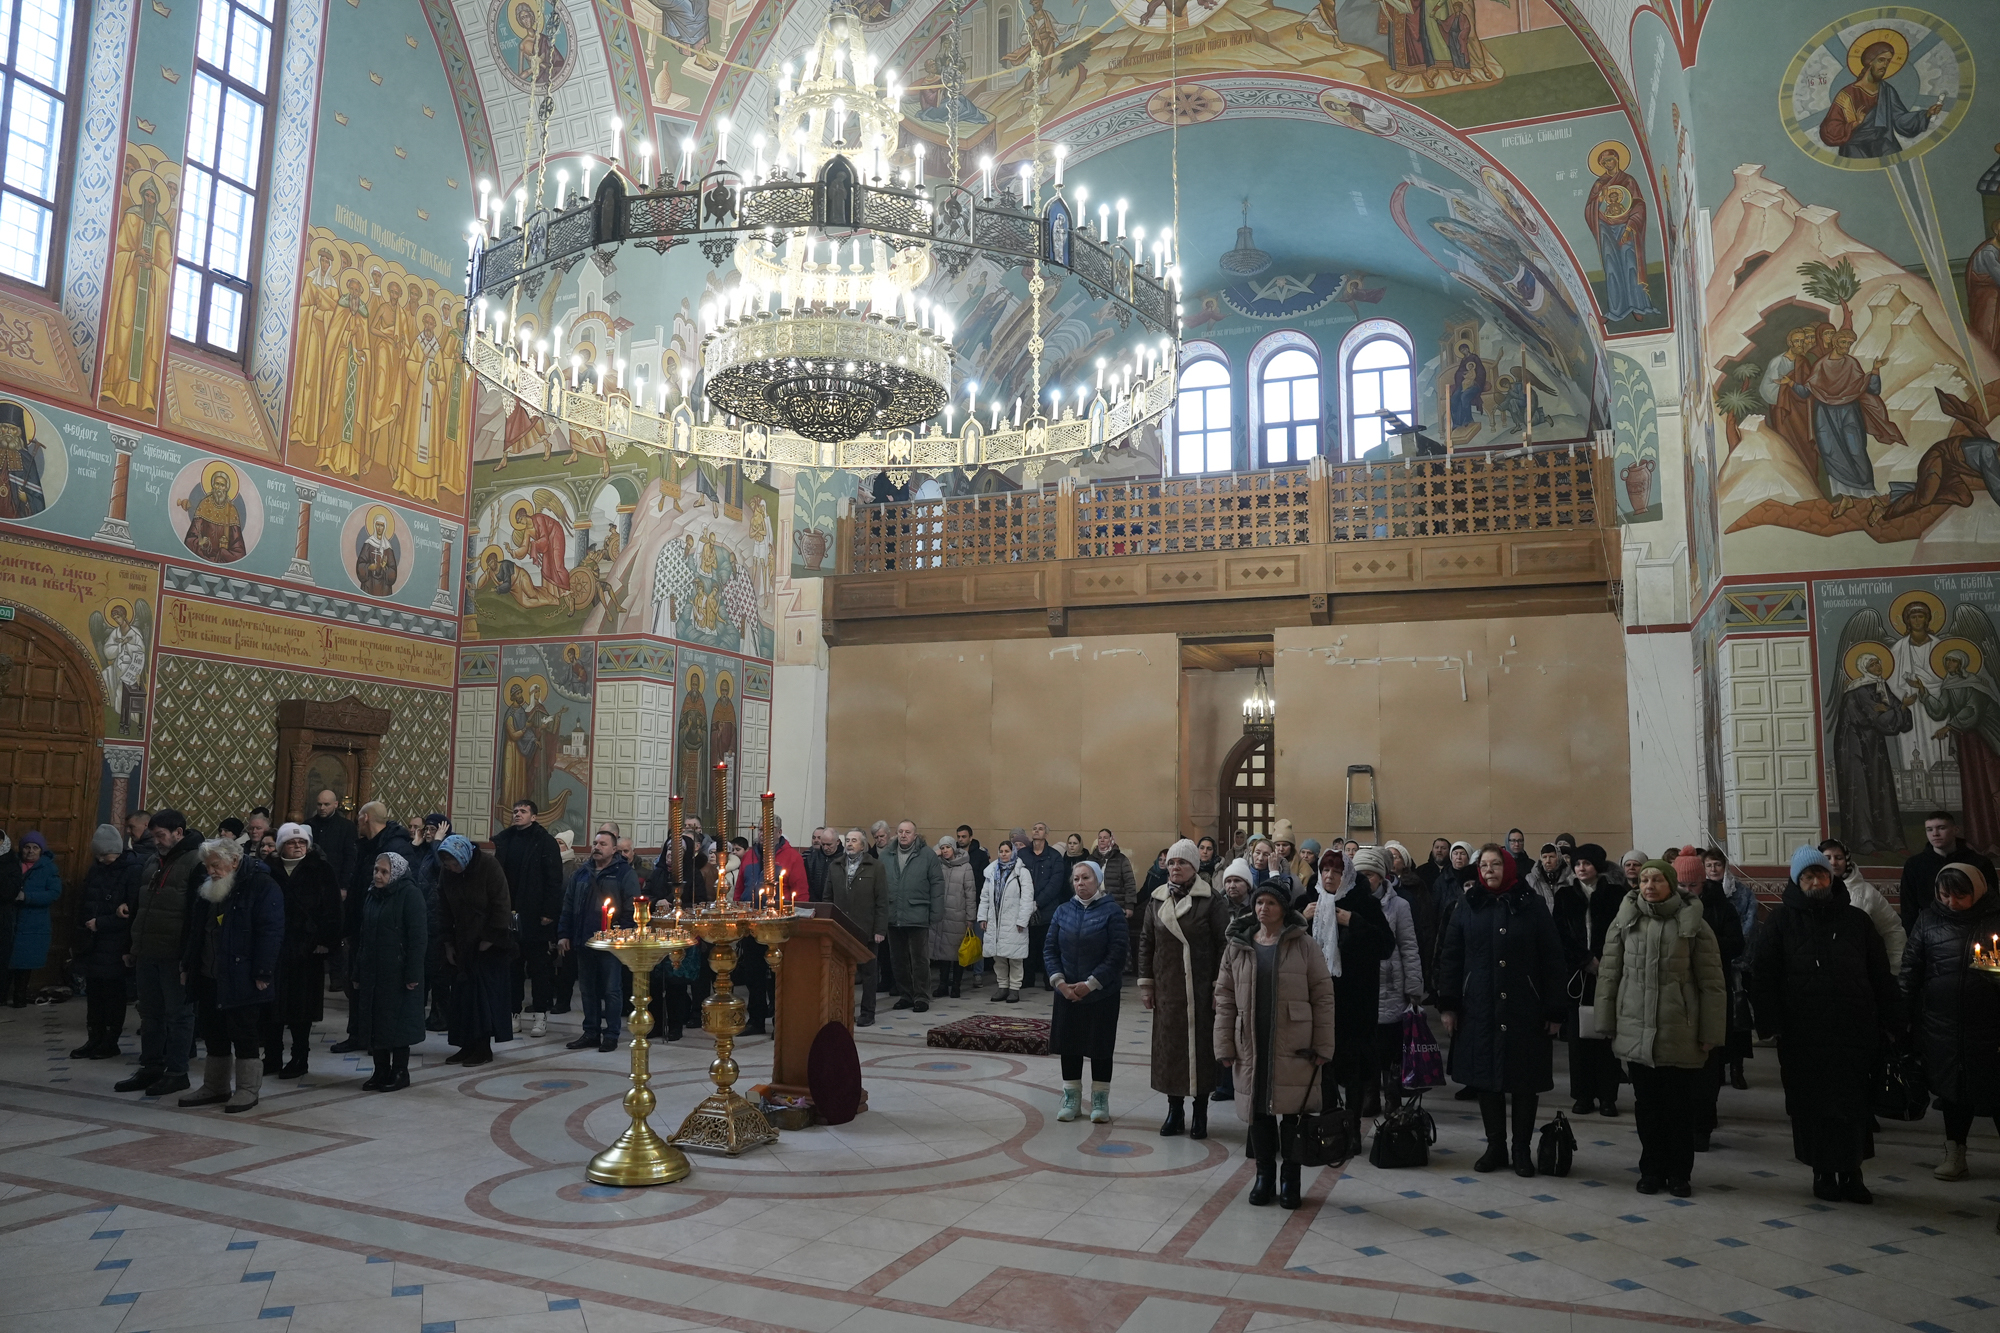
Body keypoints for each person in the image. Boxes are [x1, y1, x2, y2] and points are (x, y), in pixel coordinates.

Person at [1752, 845, 1902, 1204]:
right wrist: (1772, 1023)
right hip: (1803, 1033)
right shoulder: (1780, 921)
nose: (1816, 881)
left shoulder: (1856, 920)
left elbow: (1879, 973)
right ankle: (1822, 1172)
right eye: (1808, 876)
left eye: (1820, 874)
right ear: (1797, 881)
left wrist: (1892, 1020)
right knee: (1812, 1105)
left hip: (1854, 1029)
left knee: (1854, 1105)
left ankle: (1852, 1173)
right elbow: (1763, 975)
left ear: (1831, 877)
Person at [1596, 858, 1727, 1197]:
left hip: (1679, 1029)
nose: (1649, 886)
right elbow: (1609, 975)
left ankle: (1679, 1173)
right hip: (1636, 1026)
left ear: (1671, 884)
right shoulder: (1625, 921)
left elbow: (1712, 983)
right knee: (1647, 1105)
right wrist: (1605, 1021)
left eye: (1657, 880)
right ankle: (1651, 1170)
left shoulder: (1694, 923)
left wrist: (1710, 1033)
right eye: (1644, 880)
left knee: (1679, 1107)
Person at [1437, 844, 1568, 1176]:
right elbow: (1451, 957)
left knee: (1524, 1081)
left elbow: (1553, 958)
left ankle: (1521, 1149)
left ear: (1508, 867)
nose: (1489, 870)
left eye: (1495, 864)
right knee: (1486, 1080)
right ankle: (1495, 1146)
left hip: (1525, 1007)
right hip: (1479, 1006)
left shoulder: (1532, 905)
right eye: (1483, 865)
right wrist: (1449, 1005)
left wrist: (1554, 1009)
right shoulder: (1468, 904)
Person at [1216, 882, 1336, 1209]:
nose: (1263, 909)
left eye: (1270, 903)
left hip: (1294, 1043)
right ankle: (1264, 1175)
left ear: (1284, 908)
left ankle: (1290, 1180)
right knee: (1259, 1113)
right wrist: (1224, 1044)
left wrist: (1323, 1046)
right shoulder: (1238, 946)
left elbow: (1323, 996)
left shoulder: (1304, 945)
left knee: (1292, 1115)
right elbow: (1224, 997)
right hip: (1251, 1042)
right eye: (1259, 903)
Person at [1901, 863, 2000, 1183]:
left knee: (1995, 1092)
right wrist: (1900, 1015)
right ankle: (1955, 1153)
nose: (1951, 903)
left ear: (1977, 892)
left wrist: (1994, 974)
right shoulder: (1928, 920)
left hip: (1989, 1026)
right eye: (1945, 895)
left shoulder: (1995, 920)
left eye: (1960, 895)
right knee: (1953, 1093)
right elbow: (1911, 969)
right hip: (1943, 1025)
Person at [177, 839, 283, 1112]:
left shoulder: (261, 885)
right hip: (209, 973)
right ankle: (215, 1086)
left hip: (242, 974)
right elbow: (196, 930)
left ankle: (247, 1089)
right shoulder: (209, 887)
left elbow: (270, 932)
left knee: (244, 1033)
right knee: (213, 1033)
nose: (210, 871)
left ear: (234, 861)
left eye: (215, 865)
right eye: (207, 866)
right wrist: (188, 965)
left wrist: (263, 971)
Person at [1139, 839, 1230, 1139]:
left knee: (1201, 1052)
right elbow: (1146, 942)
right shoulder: (1156, 899)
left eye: (1182, 863)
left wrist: (1219, 986)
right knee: (1170, 1050)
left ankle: (1200, 1112)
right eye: (1172, 862)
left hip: (1200, 989)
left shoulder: (1211, 900)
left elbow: (1223, 944)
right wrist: (1147, 984)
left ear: (1194, 867)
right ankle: (1174, 1110)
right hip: (1167, 989)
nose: (1175, 867)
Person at [118, 811, 205, 1094]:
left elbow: (196, 914)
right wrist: (131, 945)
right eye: (153, 836)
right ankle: (150, 1067)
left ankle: (177, 1071)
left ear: (178, 833)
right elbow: (139, 904)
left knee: (179, 1015)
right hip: (147, 951)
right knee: (150, 1013)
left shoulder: (196, 862)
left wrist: (188, 958)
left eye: (161, 836)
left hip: (174, 953)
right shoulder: (153, 861)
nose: (156, 841)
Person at [1310, 848, 1392, 1141]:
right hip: (1319, 1001)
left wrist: (1355, 922)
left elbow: (1386, 946)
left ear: (1346, 875)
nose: (1329, 876)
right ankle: (1331, 1126)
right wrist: (1300, 919)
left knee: (1354, 1068)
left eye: (1336, 871)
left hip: (1356, 1002)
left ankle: (1353, 1128)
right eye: (1325, 870)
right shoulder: (1310, 902)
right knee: (1324, 1066)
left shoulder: (1364, 904)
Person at [1046, 860, 1129, 1126]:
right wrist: (1061, 984)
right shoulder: (1062, 911)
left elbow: (1117, 954)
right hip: (1067, 992)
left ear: (1098, 880)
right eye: (1076, 879)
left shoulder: (1112, 911)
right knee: (1069, 1046)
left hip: (1101, 994)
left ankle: (1100, 1101)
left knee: (1100, 1047)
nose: (1080, 883)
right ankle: (1071, 1099)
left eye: (1086, 878)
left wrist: (1090, 984)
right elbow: (1050, 950)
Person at [331, 803, 414, 1054]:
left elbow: (399, 890)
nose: (357, 822)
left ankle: (375, 1037)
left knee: (376, 989)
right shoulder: (368, 845)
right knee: (356, 982)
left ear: (365, 818)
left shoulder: (395, 846)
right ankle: (358, 1033)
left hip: (383, 927)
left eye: (358, 818)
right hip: (362, 922)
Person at [263, 823, 340, 1079]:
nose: (297, 846)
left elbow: (332, 909)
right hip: (275, 945)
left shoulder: (321, 869)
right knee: (271, 1006)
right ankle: (272, 1056)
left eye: (302, 842)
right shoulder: (269, 869)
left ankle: (299, 1058)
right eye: (291, 842)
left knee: (301, 1009)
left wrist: (325, 940)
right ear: (281, 846)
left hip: (307, 949)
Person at [437, 834, 516, 1068]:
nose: (452, 869)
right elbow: (443, 908)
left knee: (482, 999)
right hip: (462, 941)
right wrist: (448, 943)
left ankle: (482, 1048)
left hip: (488, 945)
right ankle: (466, 1045)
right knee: (462, 998)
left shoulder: (488, 866)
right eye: (448, 865)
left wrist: (490, 938)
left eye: (454, 864)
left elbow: (502, 903)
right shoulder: (447, 873)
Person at [351, 852, 426, 1092]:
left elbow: (417, 937)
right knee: (377, 1021)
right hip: (374, 970)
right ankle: (380, 1070)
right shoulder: (372, 894)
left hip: (398, 971)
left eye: (384, 871)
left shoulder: (410, 894)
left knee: (398, 1023)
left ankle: (400, 1071)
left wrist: (413, 973)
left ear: (396, 873)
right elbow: (364, 936)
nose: (378, 875)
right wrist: (358, 971)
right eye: (376, 870)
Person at [1359, 846, 1425, 1117]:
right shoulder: (1349, 902)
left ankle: (1392, 1094)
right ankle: (1370, 1093)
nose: (1365, 880)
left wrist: (1414, 987)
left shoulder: (1399, 905)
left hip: (1391, 985)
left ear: (1381, 875)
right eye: (1360, 874)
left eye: (1369, 874)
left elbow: (1409, 946)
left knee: (1390, 1046)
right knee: (1366, 1044)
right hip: (1361, 985)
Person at [558, 831, 639, 1051]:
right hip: (584, 940)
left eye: (603, 844)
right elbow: (568, 904)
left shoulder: (624, 873)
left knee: (611, 990)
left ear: (614, 849)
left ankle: (611, 1034)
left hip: (611, 943)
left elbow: (631, 907)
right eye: (595, 843)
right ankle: (591, 1032)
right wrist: (564, 934)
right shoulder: (581, 873)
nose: (597, 847)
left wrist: (621, 933)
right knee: (587, 990)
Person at [493, 799, 564, 1035]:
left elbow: (554, 879)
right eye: (515, 811)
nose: (517, 814)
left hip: (536, 915)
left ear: (534, 816)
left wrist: (549, 912)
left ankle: (540, 1015)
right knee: (512, 967)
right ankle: (513, 1013)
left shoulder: (545, 841)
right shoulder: (505, 840)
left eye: (523, 811)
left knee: (539, 969)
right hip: (510, 914)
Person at [73, 824, 143, 1060]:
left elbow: (131, 911)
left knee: (113, 996)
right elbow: (87, 901)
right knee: (94, 995)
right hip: (93, 942)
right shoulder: (97, 868)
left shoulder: (132, 870)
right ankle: (94, 1038)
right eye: (99, 855)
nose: (102, 859)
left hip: (116, 942)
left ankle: (110, 1042)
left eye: (106, 855)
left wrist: (102, 923)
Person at [1569, 844, 1629, 1117]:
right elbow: (1560, 934)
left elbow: (1623, 931)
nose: (1581, 868)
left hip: (1609, 971)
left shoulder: (1616, 894)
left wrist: (1605, 960)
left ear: (1598, 866)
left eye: (1586, 863)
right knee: (1579, 1040)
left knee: (1606, 1037)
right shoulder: (1565, 896)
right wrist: (1584, 959)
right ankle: (1582, 1095)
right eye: (1577, 864)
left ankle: (1607, 1096)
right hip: (1577, 976)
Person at [881, 821, 944, 1014]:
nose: (903, 835)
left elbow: (937, 884)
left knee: (919, 960)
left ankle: (921, 996)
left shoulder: (927, 855)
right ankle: (906, 995)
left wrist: (936, 913)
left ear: (915, 835)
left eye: (907, 832)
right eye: (900, 831)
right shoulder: (886, 855)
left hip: (918, 913)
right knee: (898, 959)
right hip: (893, 914)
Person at [827, 829, 888, 1024]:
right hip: (841, 928)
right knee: (841, 971)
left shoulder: (875, 867)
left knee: (869, 973)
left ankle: (868, 1013)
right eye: (847, 840)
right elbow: (827, 897)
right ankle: (842, 1011)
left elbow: (882, 901)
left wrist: (880, 930)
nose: (850, 844)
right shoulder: (835, 865)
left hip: (866, 928)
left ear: (863, 845)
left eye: (854, 840)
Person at [1899, 812, 1995, 933]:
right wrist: (1913, 936)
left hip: (1973, 928)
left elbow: (1992, 901)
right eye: (1929, 829)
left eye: (1941, 828)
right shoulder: (1914, 865)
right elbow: (1908, 908)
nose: (1935, 834)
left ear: (1955, 830)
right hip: (1930, 931)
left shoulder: (1980, 862)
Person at [1819, 838, 1904, 970]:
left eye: (1839, 857)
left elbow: (1892, 929)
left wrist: (1894, 967)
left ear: (1847, 860)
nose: (1833, 862)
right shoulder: (1812, 892)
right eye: (1827, 858)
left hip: (1859, 968)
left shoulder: (1867, 893)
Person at [978, 839, 1034, 1004]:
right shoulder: (991, 872)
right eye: (1001, 851)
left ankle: (1014, 989)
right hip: (994, 921)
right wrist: (982, 917)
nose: (1004, 854)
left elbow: (1027, 898)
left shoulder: (1022, 872)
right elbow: (985, 897)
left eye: (1007, 851)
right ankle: (1002, 987)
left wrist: (1022, 920)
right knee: (999, 957)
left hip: (1014, 922)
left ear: (1013, 852)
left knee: (1015, 958)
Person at [7, 832, 60, 1004]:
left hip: (33, 923)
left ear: (41, 850)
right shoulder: (12, 864)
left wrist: (27, 897)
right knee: (6, 958)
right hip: (10, 919)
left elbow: (54, 893)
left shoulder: (49, 868)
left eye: (35, 848)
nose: (30, 851)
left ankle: (19, 996)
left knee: (25, 962)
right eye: (27, 847)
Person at [1019, 822, 1067, 990]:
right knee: (1027, 945)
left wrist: (1038, 902)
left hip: (1047, 909)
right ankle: (1027, 979)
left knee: (1048, 946)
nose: (1036, 831)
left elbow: (1055, 883)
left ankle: (1049, 979)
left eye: (1040, 829)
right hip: (1026, 906)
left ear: (1046, 834)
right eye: (1034, 828)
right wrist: (1027, 902)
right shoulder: (1022, 854)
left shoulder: (1054, 856)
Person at [927, 835, 976, 999]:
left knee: (956, 953)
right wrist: (934, 854)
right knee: (942, 953)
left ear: (953, 848)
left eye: (948, 847)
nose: (945, 850)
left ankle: (956, 985)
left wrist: (970, 917)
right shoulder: (937, 865)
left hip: (958, 916)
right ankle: (942, 985)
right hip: (941, 915)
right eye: (942, 848)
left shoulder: (966, 867)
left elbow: (970, 894)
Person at [1095, 829, 1138, 971]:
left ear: (1111, 840)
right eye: (1100, 837)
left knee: (1118, 937)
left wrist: (1129, 905)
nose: (1102, 840)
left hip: (1116, 904)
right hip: (1096, 905)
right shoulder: (1092, 859)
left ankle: (1121, 967)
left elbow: (1130, 883)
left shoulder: (1121, 859)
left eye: (1105, 837)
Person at [306, 789, 357, 896]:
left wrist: (343, 886)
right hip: (311, 880)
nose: (322, 808)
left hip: (335, 880)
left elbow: (349, 858)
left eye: (326, 804)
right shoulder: (308, 825)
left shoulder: (346, 827)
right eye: (319, 804)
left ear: (335, 804)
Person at [1525, 843, 1573, 913]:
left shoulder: (1570, 877)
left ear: (1559, 858)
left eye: (1551, 857)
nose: (1548, 861)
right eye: (1544, 857)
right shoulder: (1531, 879)